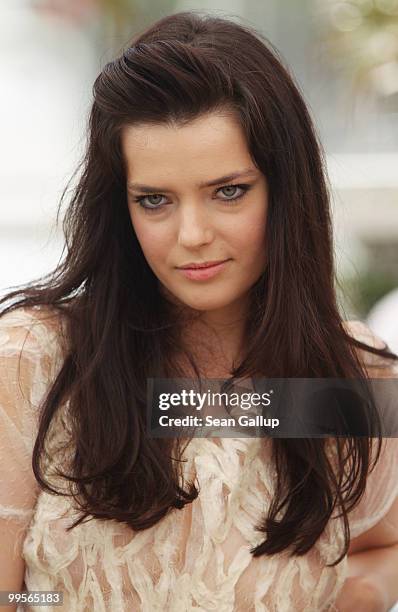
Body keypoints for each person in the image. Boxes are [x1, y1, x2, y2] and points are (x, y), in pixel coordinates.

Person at [0, 10, 397, 612]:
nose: (191, 234)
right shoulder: (38, 359)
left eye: (228, 191)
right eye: (154, 200)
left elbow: (380, 548)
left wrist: (347, 598)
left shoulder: (348, 379)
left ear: (287, 190)